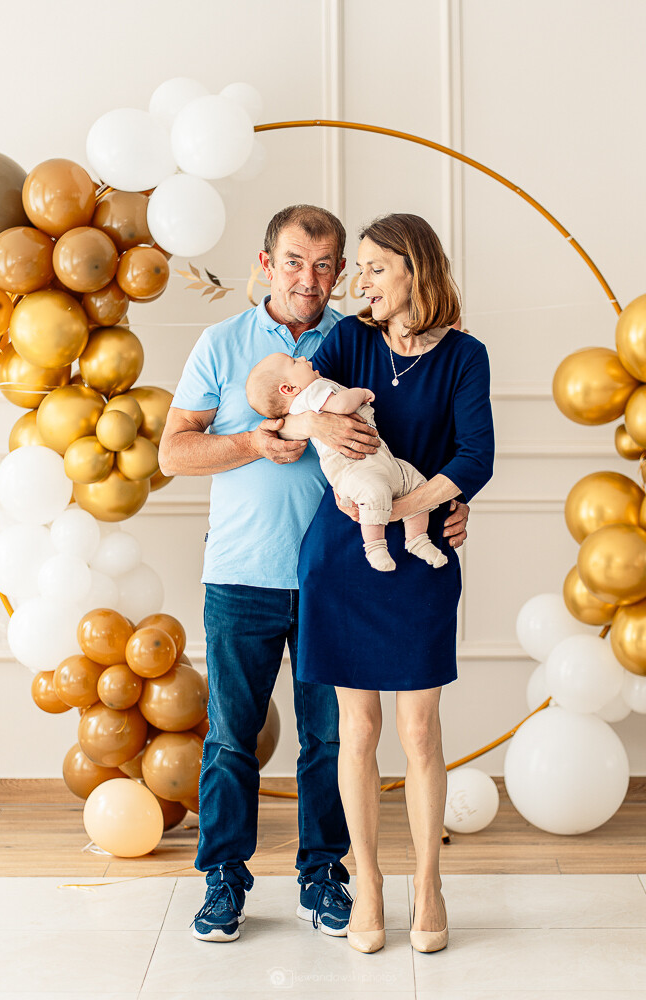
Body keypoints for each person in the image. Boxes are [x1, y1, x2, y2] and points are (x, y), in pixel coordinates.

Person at [158, 205, 471, 944]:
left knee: (330, 742)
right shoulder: (222, 342)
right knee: (230, 737)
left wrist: (448, 505)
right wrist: (258, 440)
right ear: (266, 264)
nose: (311, 277)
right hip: (241, 570)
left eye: (327, 264)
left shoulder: (354, 339)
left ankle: (324, 875)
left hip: (335, 579)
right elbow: (173, 452)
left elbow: (414, 433)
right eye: (296, 261)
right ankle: (223, 878)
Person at [285, 213, 494, 954]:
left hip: (421, 552)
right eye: (361, 268)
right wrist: (317, 428)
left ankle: (428, 882)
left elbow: (475, 456)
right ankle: (368, 882)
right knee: (358, 730)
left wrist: (410, 508)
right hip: (342, 556)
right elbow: (286, 410)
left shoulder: (465, 356)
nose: (360, 280)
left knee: (419, 730)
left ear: (414, 270)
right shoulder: (346, 339)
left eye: (375, 267)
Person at [246, 352, 447, 571]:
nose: (303, 358)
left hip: (380, 460)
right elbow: (342, 405)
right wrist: (360, 393)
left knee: (414, 482)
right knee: (375, 493)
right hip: (353, 466)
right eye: (294, 362)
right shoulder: (311, 393)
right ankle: (376, 547)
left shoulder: (308, 397)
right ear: (289, 389)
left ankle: (418, 540)